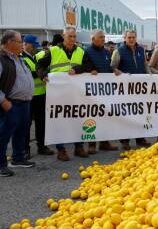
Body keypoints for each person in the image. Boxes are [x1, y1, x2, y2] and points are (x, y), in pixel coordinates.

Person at [37, 26, 93, 160]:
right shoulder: (53, 51)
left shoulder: (81, 51)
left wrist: (77, 69)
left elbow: (88, 66)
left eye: (74, 37)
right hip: (58, 93)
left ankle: (78, 147)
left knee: (77, 119)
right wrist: (43, 75)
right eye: (70, 36)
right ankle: (61, 149)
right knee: (59, 120)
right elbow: (39, 65)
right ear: (63, 36)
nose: (72, 39)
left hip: (75, 93)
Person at [0, 30, 35, 177]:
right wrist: (3, 100)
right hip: (10, 103)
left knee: (21, 132)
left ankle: (18, 158)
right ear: (10, 42)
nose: (22, 44)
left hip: (24, 103)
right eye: (20, 41)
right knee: (3, 135)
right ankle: (1, 165)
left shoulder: (18, 57)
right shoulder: (2, 59)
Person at [110, 30, 150, 150]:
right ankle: (125, 140)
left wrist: (150, 76)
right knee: (126, 115)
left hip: (140, 88)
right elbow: (112, 66)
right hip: (125, 89)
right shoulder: (119, 51)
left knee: (140, 114)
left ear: (136, 38)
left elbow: (145, 65)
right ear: (125, 38)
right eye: (129, 37)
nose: (131, 39)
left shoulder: (141, 50)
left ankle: (140, 139)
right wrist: (114, 70)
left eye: (133, 37)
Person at [83, 30, 119, 153]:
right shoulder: (87, 51)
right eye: (100, 37)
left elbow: (108, 67)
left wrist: (113, 70)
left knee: (105, 116)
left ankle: (104, 142)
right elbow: (84, 67)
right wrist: (90, 70)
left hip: (106, 89)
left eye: (104, 37)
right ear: (93, 39)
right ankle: (92, 144)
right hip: (93, 90)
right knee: (93, 116)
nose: (103, 39)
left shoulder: (107, 52)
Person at [21, 35, 54, 159]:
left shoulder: (34, 58)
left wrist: (43, 71)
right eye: (33, 45)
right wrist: (44, 72)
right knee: (26, 124)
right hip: (29, 97)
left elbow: (40, 70)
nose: (35, 47)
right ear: (26, 44)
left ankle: (41, 146)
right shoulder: (21, 58)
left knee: (41, 123)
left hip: (40, 95)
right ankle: (25, 149)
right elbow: (32, 73)